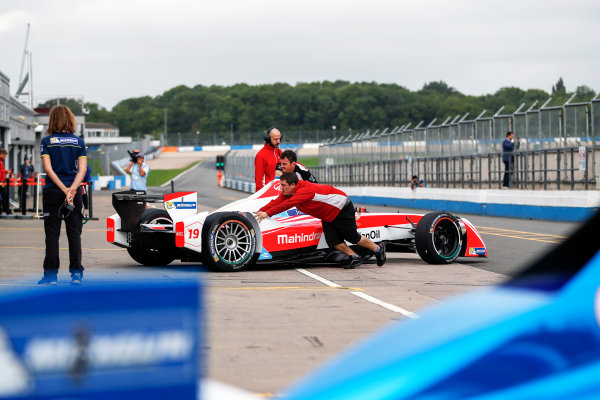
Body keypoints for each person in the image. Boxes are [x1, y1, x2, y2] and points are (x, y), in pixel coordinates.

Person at [255, 172, 386, 269]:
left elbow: (288, 204)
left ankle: (377, 248)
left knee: (352, 237)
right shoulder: (290, 192)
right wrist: (260, 211)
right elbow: (276, 202)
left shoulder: (305, 191)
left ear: (293, 184)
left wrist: (267, 213)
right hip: (328, 214)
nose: (281, 188)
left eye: (283, 185)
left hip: (341, 207)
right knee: (333, 241)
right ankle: (354, 256)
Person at [39, 105, 87, 285]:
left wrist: (63, 189)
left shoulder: (47, 141)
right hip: (74, 193)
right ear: (70, 119)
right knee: (74, 234)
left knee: (52, 234)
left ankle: (51, 277)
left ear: (53, 120)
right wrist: (72, 190)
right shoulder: (79, 142)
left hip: (53, 191)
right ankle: (76, 275)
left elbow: (48, 169)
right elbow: (82, 171)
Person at [254, 126, 282, 191]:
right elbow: (259, 181)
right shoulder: (261, 155)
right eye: (275, 139)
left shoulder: (280, 152)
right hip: (268, 193)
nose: (278, 141)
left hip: (280, 192)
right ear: (268, 139)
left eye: (279, 139)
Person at [0, 149, 11, 215]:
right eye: (5, 155)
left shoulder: (1, 161)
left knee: (3, 196)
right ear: (2, 154)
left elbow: (2, 171)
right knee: (4, 196)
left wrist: (7, 171)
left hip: (2, 181)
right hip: (1, 182)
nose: (5, 157)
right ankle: (7, 210)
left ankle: (5, 210)